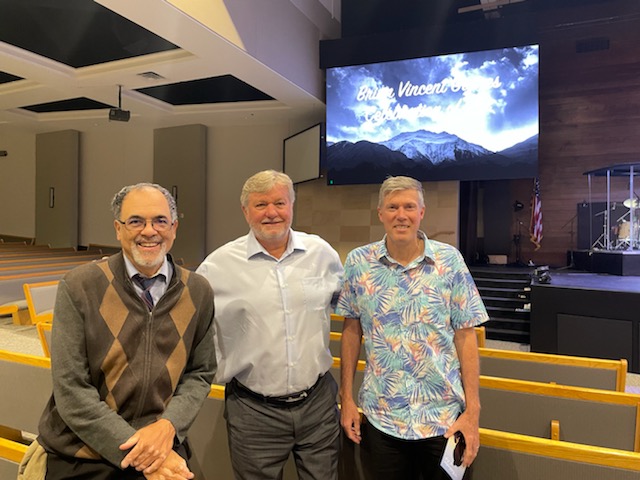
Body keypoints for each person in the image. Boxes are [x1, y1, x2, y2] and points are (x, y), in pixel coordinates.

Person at [34, 183, 216, 480]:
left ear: (174, 228)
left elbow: (201, 372)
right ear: (118, 229)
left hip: (161, 441)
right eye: (136, 221)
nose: (149, 231)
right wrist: (142, 455)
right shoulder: (80, 286)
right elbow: (72, 389)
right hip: (83, 452)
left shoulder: (198, 291)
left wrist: (169, 425)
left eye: (160, 221)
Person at [337, 176, 488, 480]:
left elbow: (465, 336)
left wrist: (473, 412)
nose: (401, 215)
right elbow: (352, 331)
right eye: (393, 207)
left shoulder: (449, 261)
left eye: (409, 207)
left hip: (442, 419)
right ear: (380, 213)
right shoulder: (358, 262)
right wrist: (347, 399)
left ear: (421, 212)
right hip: (383, 418)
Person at [196, 170, 343, 480]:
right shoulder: (217, 267)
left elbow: (342, 304)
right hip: (253, 410)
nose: (271, 212)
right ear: (245, 211)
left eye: (280, 203)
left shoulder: (321, 254)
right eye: (261, 204)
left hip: (318, 404)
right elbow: (193, 329)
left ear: (292, 205)